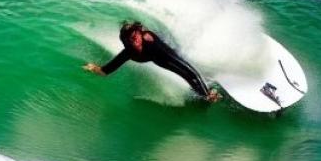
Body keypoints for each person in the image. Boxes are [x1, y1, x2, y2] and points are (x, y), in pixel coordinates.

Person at [83, 21, 220, 103]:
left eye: (135, 37)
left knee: (185, 71)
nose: (134, 42)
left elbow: (189, 71)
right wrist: (93, 68)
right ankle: (203, 93)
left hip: (164, 51)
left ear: (139, 34)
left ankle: (206, 93)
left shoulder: (150, 41)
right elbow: (105, 71)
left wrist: (207, 94)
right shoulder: (128, 52)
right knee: (182, 73)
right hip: (157, 60)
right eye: (129, 41)